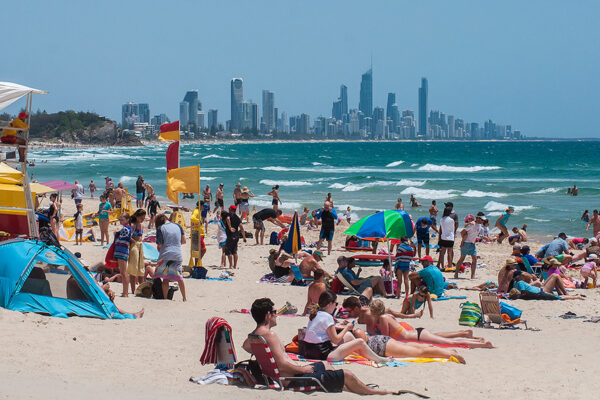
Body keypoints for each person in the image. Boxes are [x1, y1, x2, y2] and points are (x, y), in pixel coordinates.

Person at [241, 298, 395, 395]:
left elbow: (246, 346)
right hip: (291, 378)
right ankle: (375, 392)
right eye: (274, 312)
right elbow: (282, 364)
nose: (277, 314)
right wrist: (303, 369)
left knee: (327, 365)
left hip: (284, 376)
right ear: (268, 315)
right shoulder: (270, 335)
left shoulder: (254, 336)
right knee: (347, 374)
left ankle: (349, 388)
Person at [351, 299, 493, 349]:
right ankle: (475, 340)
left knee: (450, 342)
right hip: (416, 333)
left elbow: (387, 339)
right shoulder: (387, 316)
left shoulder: (382, 319)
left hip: (416, 337)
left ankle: (482, 344)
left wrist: (373, 334)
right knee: (448, 341)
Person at [300, 291, 389, 363]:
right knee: (360, 342)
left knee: (349, 336)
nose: (335, 306)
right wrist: (347, 327)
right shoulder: (328, 317)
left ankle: (368, 354)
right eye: (335, 303)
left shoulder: (316, 314)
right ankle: (378, 359)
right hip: (322, 355)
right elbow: (335, 340)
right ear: (329, 304)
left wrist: (340, 327)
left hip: (308, 351)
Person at [154, 213, 187, 301]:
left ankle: (165, 298)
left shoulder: (160, 228)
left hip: (166, 254)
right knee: (179, 277)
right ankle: (184, 298)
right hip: (177, 254)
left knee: (165, 278)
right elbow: (183, 241)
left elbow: (160, 244)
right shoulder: (178, 226)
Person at [454, 214, 481, 279]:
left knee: (474, 259)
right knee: (462, 259)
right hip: (466, 243)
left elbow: (476, 234)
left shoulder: (477, 225)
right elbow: (462, 232)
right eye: (469, 219)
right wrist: (462, 241)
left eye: (471, 219)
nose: (470, 220)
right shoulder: (469, 225)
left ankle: (473, 275)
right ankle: (456, 273)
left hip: (472, 244)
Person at [113, 213, 132, 297]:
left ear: (127, 220)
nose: (121, 221)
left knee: (124, 273)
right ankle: (125, 292)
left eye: (122, 219)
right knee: (123, 272)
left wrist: (116, 235)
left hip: (122, 251)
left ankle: (125, 293)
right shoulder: (127, 228)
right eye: (120, 219)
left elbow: (120, 240)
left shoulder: (126, 229)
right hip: (121, 251)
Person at [127, 209, 146, 294]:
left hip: (140, 245)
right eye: (141, 218)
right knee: (133, 268)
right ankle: (133, 289)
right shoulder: (133, 225)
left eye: (143, 218)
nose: (142, 219)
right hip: (134, 245)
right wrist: (134, 242)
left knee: (141, 268)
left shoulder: (141, 225)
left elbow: (141, 237)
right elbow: (128, 236)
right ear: (137, 216)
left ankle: (141, 289)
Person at [190, 201, 206, 267]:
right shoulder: (196, 211)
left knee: (198, 250)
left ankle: (197, 263)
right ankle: (198, 262)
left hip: (200, 233)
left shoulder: (198, 211)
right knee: (203, 249)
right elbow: (192, 218)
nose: (204, 207)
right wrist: (198, 221)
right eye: (203, 206)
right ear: (200, 205)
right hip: (198, 233)